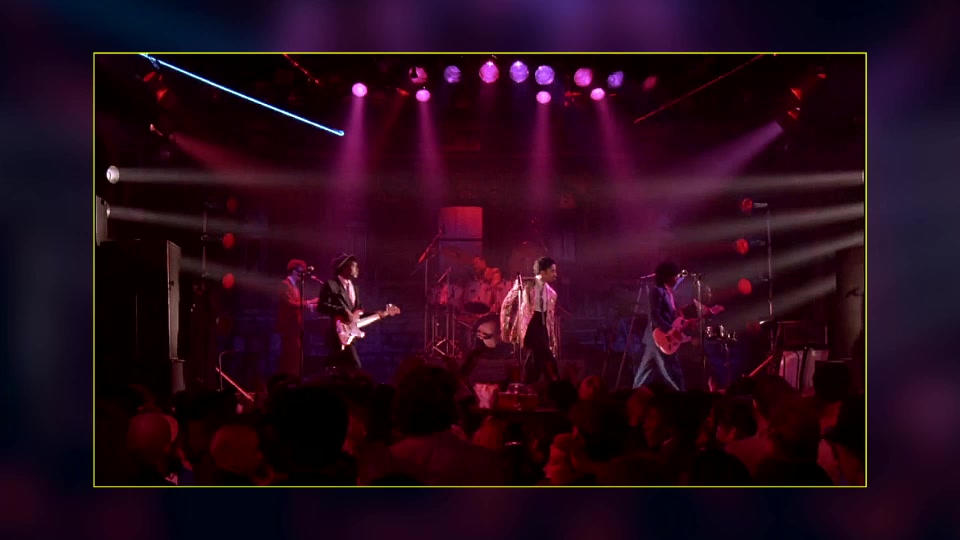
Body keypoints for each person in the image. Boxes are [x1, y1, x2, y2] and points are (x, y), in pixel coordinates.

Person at [500, 256, 560, 384]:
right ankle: (553, 383)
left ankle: (528, 384)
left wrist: (552, 340)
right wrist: (505, 327)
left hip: (542, 329)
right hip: (530, 328)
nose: (555, 274)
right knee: (546, 358)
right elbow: (507, 303)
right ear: (543, 272)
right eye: (552, 271)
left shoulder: (552, 294)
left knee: (537, 360)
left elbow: (550, 319)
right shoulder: (525, 284)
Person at [633, 261, 691, 391]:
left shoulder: (668, 293)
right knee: (673, 371)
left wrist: (686, 322)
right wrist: (669, 330)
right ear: (667, 276)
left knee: (645, 372)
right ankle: (682, 396)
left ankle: (633, 394)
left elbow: (671, 317)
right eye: (675, 276)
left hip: (656, 339)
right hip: (659, 337)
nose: (677, 279)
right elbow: (654, 316)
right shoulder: (657, 292)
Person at [318, 253, 369, 373]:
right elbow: (321, 307)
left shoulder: (355, 288)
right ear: (344, 267)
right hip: (337, 333)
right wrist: (342, 310)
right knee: (355, 367)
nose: (357, 269)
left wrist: (379, 313)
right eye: (354, 266)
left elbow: (358, 312)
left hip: (350, 335)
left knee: (340, 368)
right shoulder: (331, 284)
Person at [276, 259, 318, 377]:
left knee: (295, 355)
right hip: (288, 327)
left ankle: (293, 379)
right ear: (294, 271)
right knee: (291, 356)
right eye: (300, 271)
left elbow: (298, 303)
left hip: (295, 327)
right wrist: (309, 303)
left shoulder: (296, 287)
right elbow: (290, 303)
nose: (302, 274)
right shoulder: (285, 285)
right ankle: (289, 380)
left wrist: (312, 303)